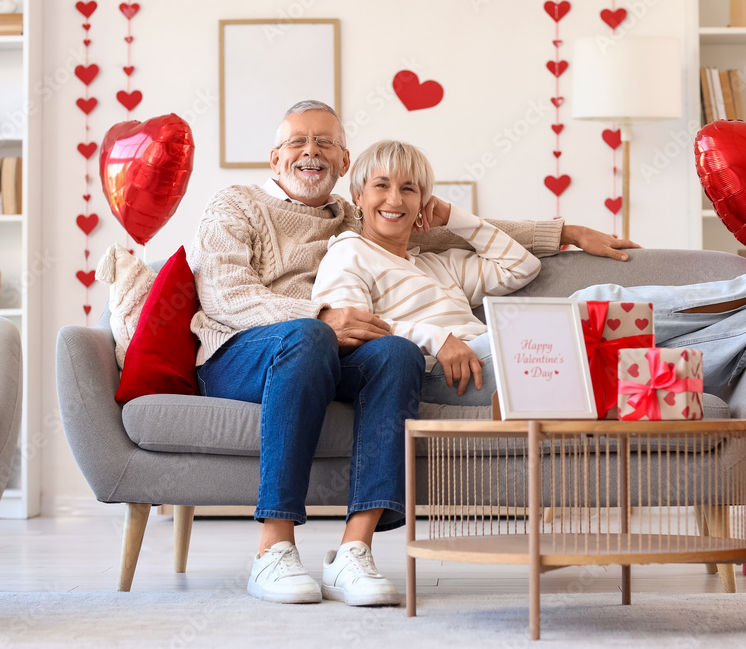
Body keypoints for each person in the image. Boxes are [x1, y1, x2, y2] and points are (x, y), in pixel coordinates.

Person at [187, 100, 637, 606]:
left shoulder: (353, 217)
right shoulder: (234, 203)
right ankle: (274, 548)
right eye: (297, 141)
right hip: (243, 352)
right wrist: (321, 316)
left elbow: (439, 226)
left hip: (325, 353)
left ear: (342, 162)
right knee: (310, 335)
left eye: (325, 143)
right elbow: (225, 294)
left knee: (397, 351)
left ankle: (353, 552)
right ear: (275, 159)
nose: (310, 151)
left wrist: (567, 232)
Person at [311, 139, 746, 405]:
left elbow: (517, 266)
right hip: (441, 372)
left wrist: (458, 217)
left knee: (631, 373)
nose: (395, 199)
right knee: (594, 301)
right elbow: (350, 326)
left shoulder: (435, 262)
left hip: (486, 355)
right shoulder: (347, 253)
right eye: (382, 186)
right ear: (358, 195)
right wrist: (438, 336)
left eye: (410, 188)